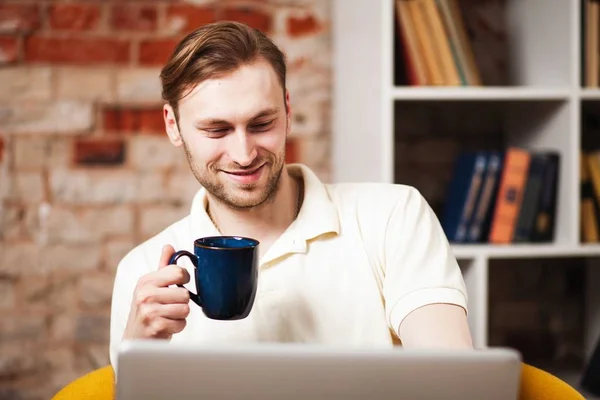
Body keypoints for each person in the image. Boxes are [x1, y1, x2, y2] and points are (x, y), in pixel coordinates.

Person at [109, 20, 473, 371]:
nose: (244, 153)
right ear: (173, 125)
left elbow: (453, 380)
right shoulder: (141, 272)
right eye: (217, 130)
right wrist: (140, 351)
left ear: (287, 108)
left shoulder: (394, 216)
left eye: (261, 124)